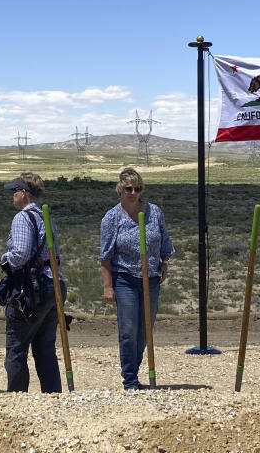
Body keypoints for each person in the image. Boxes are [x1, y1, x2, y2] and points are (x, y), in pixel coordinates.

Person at [99, 167, 174, 390]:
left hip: (150, 278)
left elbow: (165, 242)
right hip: (125, 278)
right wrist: (108, 287)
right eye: (128, 188)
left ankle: (133, 366)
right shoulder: (112, 218)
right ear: (120, 190)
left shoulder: (154, 212)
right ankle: (130, 378)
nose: (133, 193)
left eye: (137, 188)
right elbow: (105, 256)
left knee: (145, 330)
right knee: (129, 328)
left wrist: (164, 262)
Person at [1, 171, 65, 393]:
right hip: (54, 283)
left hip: (31, 289)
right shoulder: (46, 217)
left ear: (23, 193)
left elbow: (19, 255)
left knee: (17, 347)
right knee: (45, 348)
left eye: (14, 191)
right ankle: (53, 396)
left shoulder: (22, 218)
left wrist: (4, 259)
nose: (12, 196)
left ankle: (17, 399)